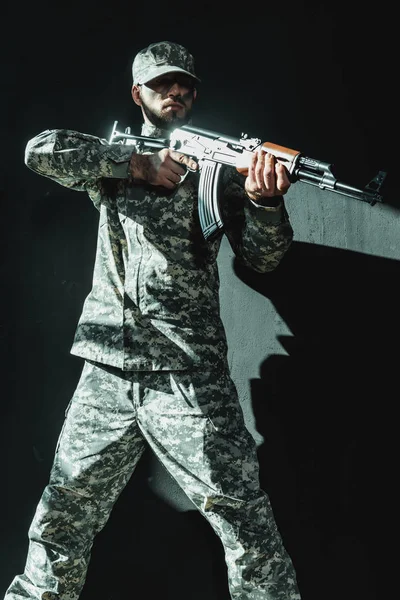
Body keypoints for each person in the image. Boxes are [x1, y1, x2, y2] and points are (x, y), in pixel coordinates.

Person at [4, 41, 302, 600]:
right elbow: (39, 151)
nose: (176, 91)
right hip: (107, 371)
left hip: (188, 375)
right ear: (138, 93)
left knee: (246, 527)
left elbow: (263, 260)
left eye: (184, 84)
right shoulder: (118, 159)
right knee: (61, 519)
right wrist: (134, 164)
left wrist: (265, 204)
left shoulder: (221, 170)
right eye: (162, 83)